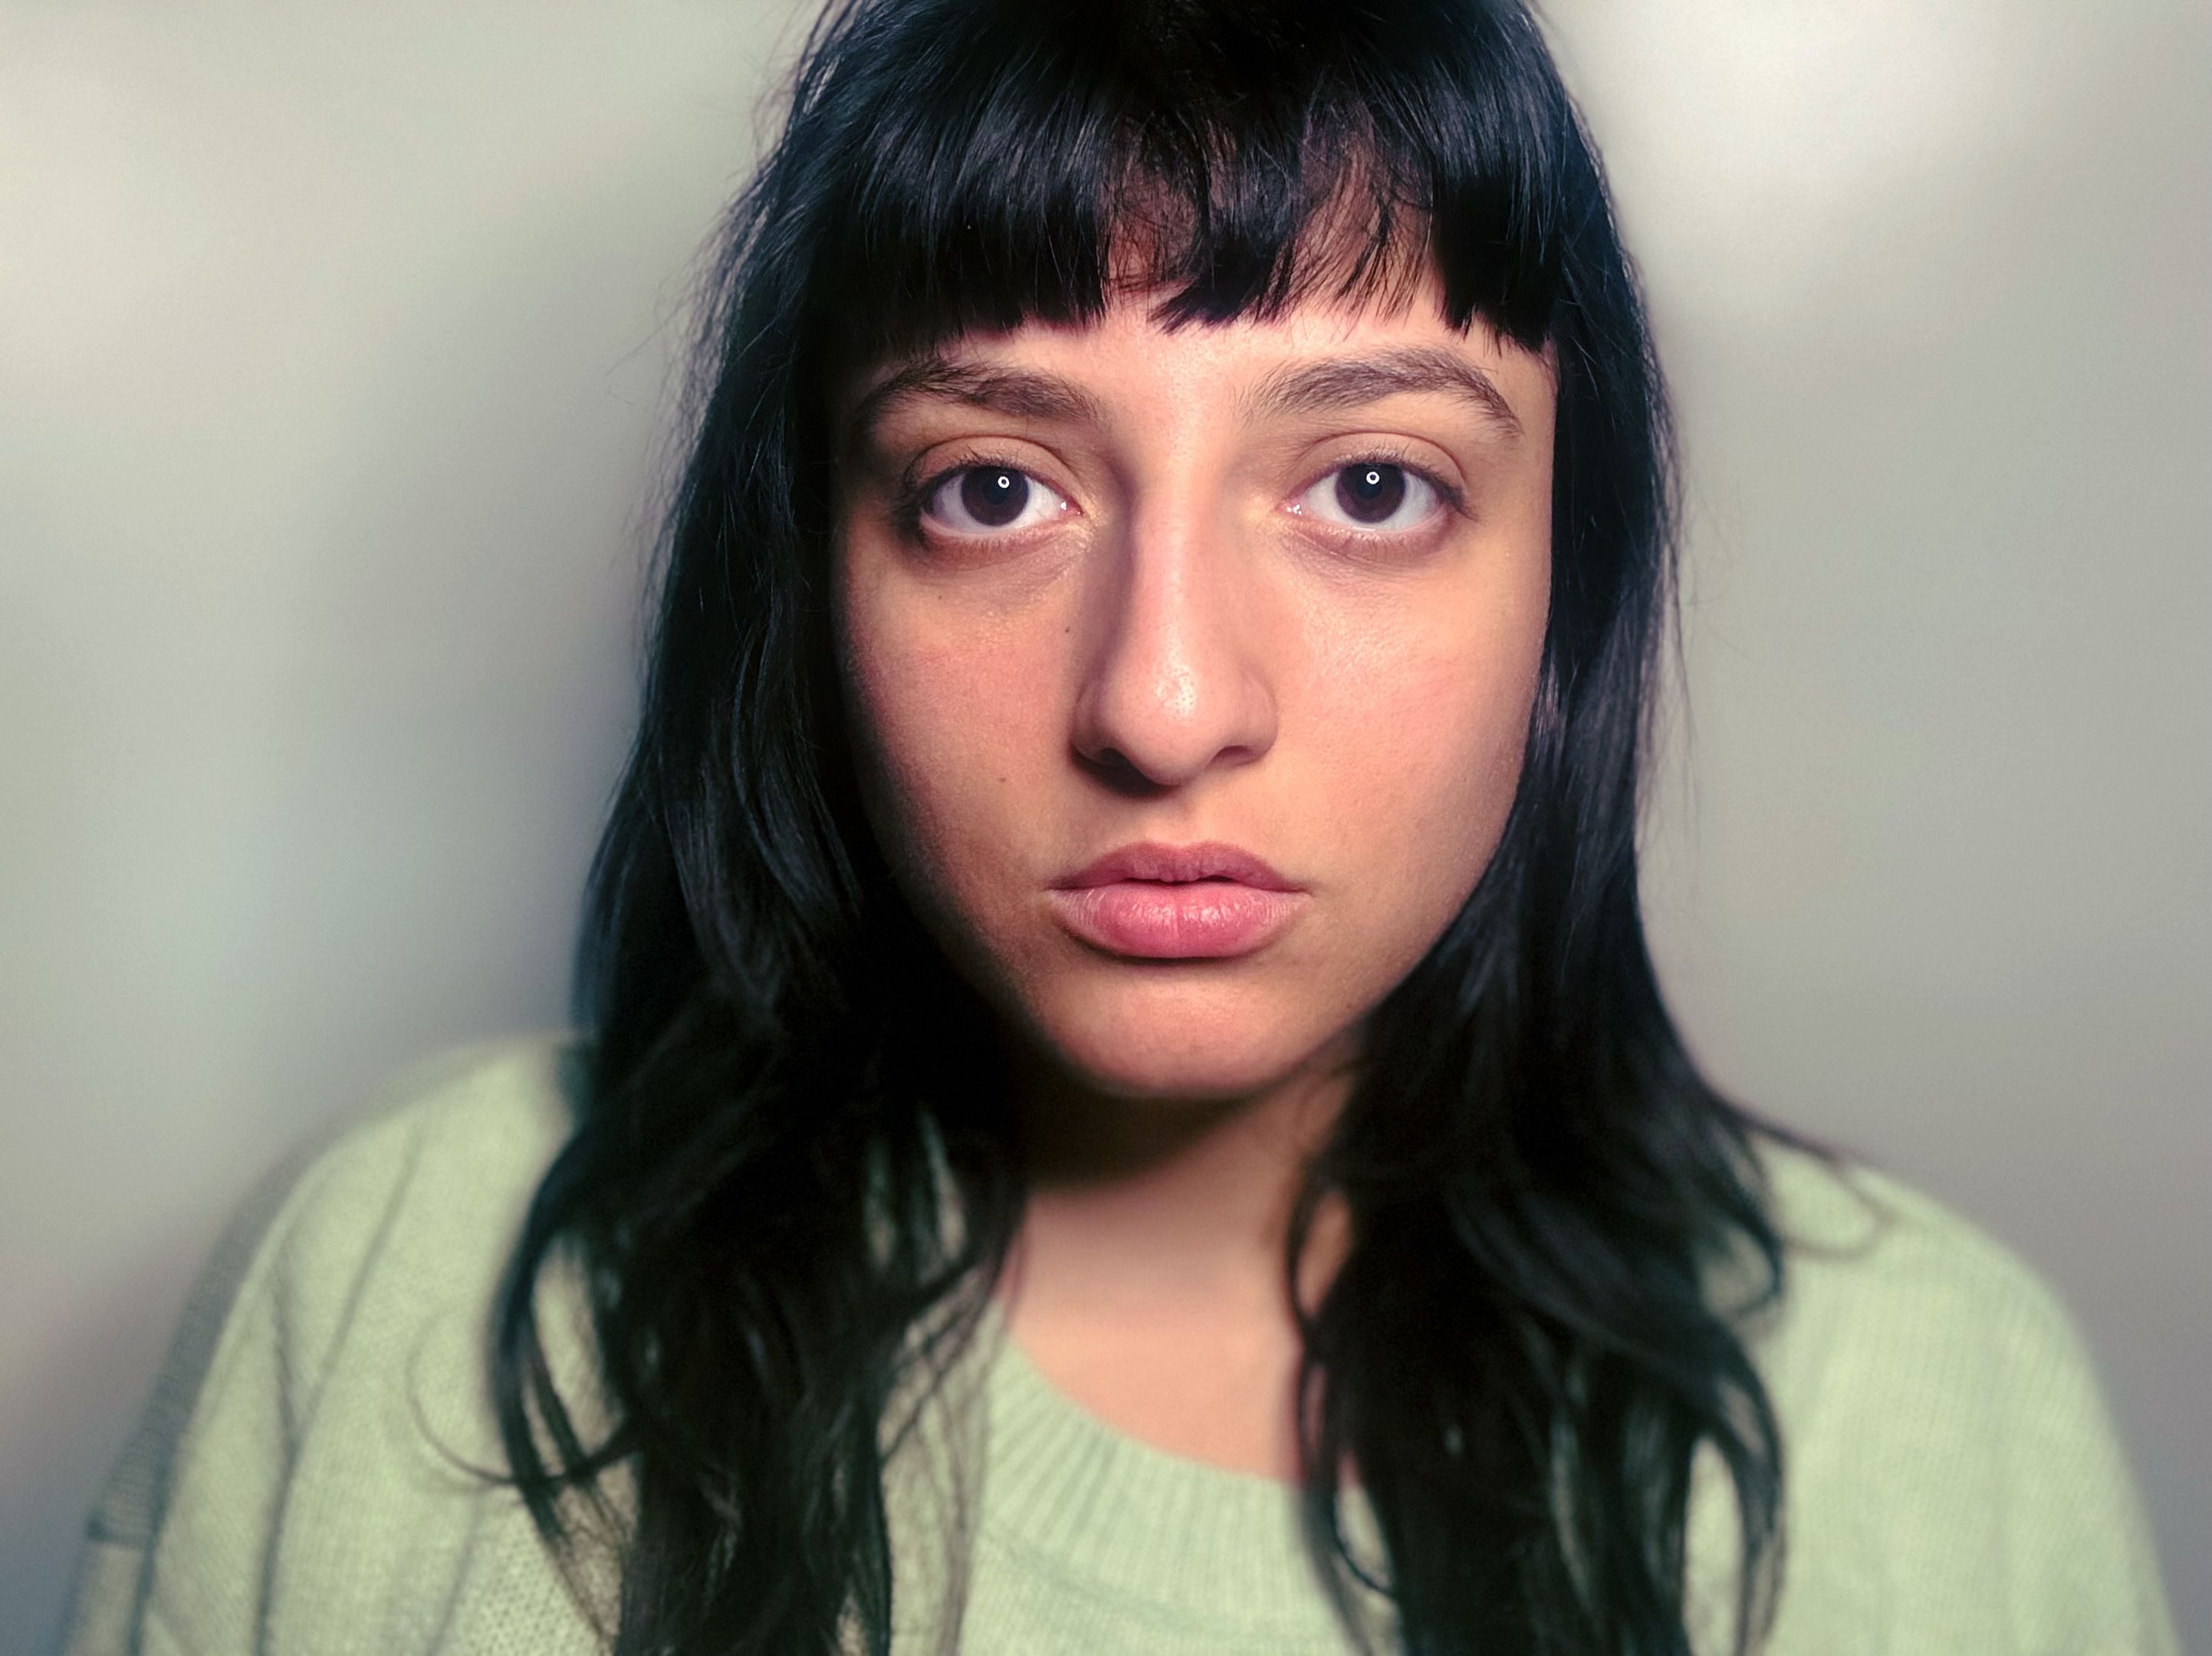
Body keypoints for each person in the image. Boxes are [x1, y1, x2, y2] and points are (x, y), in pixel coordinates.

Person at [60, 1, 2181, 1652]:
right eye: (993, 489)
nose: (1163, 706)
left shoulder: (1931, 1416)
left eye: (1371, 488)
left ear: (1569, 580)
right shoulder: (411, 1281)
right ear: (816, 574)